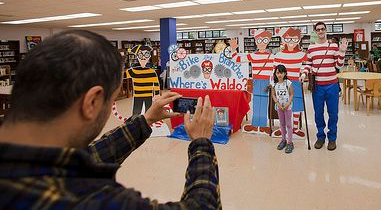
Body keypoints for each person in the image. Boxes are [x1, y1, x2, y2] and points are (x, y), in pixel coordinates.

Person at [0, 30, 221, 210]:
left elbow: (90, 158)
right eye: (111, 99)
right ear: (92, 102)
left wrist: (145, 120)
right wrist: (201, 143)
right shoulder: (94, 199)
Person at [302, 22, 347, 151]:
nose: (320, 31)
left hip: (332, 85)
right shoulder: (311, 47)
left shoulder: (333, 46)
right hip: (318, 87)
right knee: (318, 113)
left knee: (333, 114)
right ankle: (321, 136)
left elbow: (338, 65)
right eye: (318, 30)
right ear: (315, 32)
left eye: (322, 29)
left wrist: (342, 52)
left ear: (325, 30)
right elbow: (308, 64)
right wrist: (304, 74)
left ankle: (332, 138)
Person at [230, 29, 274, 134]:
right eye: (259, 40)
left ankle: (262, 125)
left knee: (263, 102)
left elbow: (275, 69)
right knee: (256, 102)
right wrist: (233, 49)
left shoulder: (271, 57)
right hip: (256, 81)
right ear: (255, 41)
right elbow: (237, 59)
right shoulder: (254, 55)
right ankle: (255, 125)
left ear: (268, 41)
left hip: (266, 81)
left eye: (264, 40)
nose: (262, 43)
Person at [272, 27, 307, 139]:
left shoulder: (302, 55)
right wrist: (273, 84)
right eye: (288, 39)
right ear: (283, 40)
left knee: (296, 105)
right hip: (282, 84)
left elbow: (309, 64)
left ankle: (295, 128)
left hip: (295, 82)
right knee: (282, 104)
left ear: (299, 39)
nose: (291, 41)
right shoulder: (278, 55)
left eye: (294, 38)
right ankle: (284, 127)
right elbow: (274, 71)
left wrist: (304, 73)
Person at [271, 65, 294, 154]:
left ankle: (290, 142)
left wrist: (288, 104)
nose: (279, 75)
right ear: (275, 74)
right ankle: (283, 140)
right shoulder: (274, 84)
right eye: (277, 73)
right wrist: (277, 103)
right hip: (279, 107)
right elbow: (273, 95)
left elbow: (292, 94)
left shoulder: (288, 83)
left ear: (285, 73)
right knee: (282, 124)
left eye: (281, 73)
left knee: (288, 124)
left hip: (287, 107)